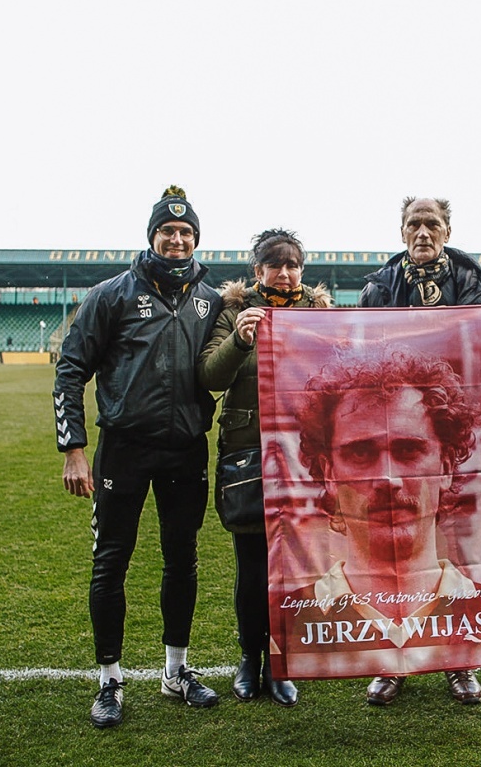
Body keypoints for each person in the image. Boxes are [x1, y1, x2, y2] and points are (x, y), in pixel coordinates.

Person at [53, 185, 224, 728]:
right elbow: (70, 368)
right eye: (167, 231)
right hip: (123, 449)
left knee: (182, 558)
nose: (177, 240)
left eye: (186, 232)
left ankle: (176, 671)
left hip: (186, 449)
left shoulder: (211, 298)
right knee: (111, 561)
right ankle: (109, 680)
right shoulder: (112, 294)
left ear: (196, 239)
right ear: (152, 236)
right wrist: (73, 449)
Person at [357, 196, 481, 707]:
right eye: (414, 223)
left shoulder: (477, 291)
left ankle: (459, 662)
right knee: (395, 559)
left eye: (432, 223)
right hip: (398, 445)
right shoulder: (379, 290)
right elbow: (358, 365)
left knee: (458, 556)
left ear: (447, 230)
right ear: (402, 231)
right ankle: (394, 663)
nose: (423, 232)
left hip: (458, 448)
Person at [272, 347, 481, 686]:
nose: (388, 479)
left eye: (408, 450)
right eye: (361, 452)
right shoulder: (295, 616)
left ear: (446, 467)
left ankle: (459, 667)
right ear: (329, 473)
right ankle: (388, 671)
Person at [197, 228, 332, 707]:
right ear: (257, 270)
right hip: (248, 452)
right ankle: (248, 658)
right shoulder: (235, 310)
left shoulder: (318, 313)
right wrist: (239, 339)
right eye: (275, 264)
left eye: (293, 264)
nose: (285, 272)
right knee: (253, 566)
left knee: (293, 566)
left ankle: (280, 663)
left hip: (304, 456)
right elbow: (209, 375)